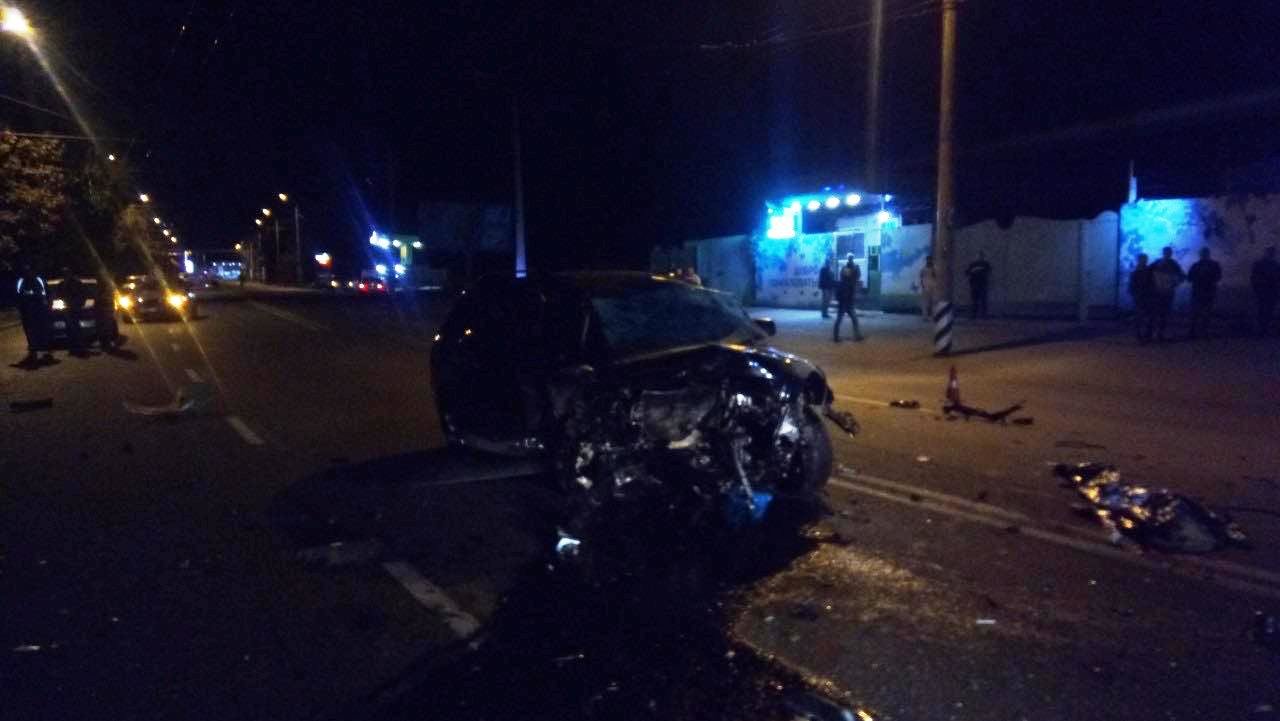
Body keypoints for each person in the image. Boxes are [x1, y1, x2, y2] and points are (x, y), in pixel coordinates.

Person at [15, 263, 54, 365]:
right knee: (30, 333)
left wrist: (48, 307)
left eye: (29, 270)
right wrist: (20, 308)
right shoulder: (21, 281)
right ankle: (33, 353)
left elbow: (48, 294)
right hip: (27, 313)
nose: (27, 273)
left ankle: (46, 354)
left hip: (40, 312)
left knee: (43, 332)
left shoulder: (39, 280)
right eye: (25, 271)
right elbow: (17, 296)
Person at [1148, 246, 1184, 342]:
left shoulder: (1174, 264)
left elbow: (1182, 276)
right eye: (1166, 252)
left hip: (1168, 293)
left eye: (1169, 252)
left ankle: (1160, 334)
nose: (1167, 254)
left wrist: (1174, 284)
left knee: (1164, 314)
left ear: (1171, 253)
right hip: (1157, 292)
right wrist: (1153, 284)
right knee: (1155, 313)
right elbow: (1148, 272)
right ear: (1163, 253)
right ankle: (1151, 334)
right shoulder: (1157, 262)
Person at [1186, 247, 1222, 339]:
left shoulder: (1198, 265)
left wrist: (1203, 276)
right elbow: (1189, 277)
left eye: (1204, 254)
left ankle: (1199, 331)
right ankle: (1197, 331)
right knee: (1198, 313)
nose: (1203, 255)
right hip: (1202, 291)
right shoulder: (1210, 265)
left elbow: (1218, 277)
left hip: (1204, 291)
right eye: (1203, 254)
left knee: (1203, 313)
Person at [832, 254, 864, 343]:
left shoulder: (846, 269)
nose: (851, 259)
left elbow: (854, 277)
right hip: (846, 300)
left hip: (845, 300)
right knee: (851, 318)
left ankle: (837, 336)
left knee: (844, 318)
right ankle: (856, 336)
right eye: (851, 258)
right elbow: (856, 277)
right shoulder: (852, 269)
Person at [58, 267, 89, 356]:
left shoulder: (76, 283)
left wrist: (80, 304)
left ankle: (79, 347)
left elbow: (83, 294)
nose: (65, 275)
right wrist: (63, 300)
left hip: (75, 308)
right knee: (69, 328)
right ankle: (72, 348)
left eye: (66, 273)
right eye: (64, 273)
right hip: (67, 307)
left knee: (76, 327)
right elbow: (59, 294)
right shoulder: (62, 283)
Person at [1252, 246, 1280, 337]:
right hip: (1265, 291)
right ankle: (1263, 329)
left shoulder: (1274, 265)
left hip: (1268, 292)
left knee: (1266, 311)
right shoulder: (1273, 265)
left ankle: (1263, 329)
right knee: (1264, 310)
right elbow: (1254, 278)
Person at [1128, 253, 1155, 343]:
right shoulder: (1139, 272)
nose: (1144, 261)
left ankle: (1145, 335)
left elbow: (1152, 283)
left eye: (1145, 260)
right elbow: (1132, 285)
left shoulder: (1147, 271)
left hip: (1146, 296)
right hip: (1141, 296)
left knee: (1147, 316)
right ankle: (1140, 335)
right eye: (1143, 259)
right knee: (1141, 316)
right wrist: (1135, 295)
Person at [94, 270, 120, 349]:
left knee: (107, 326)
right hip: (101, 310)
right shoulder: (100, 286)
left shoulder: (108, 287)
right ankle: (104, 342)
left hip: (106, 309)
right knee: (102, 327)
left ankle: (108, 342)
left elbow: (109, 298)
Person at [965, 251, 992, 319]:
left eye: (980, 256)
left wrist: (977, 271)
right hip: (974, 284)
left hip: (982, 284)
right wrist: (972, 272)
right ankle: (974, 314)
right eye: (978, 256)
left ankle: (983, 315)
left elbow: (989, 271)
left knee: (983, 300)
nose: (979, 257)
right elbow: (967, 272)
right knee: (975, 301)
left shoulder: (985, 264)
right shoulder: (973, 264)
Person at [918, 254, 938, 322]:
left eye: (930, 260)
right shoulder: (923, 269)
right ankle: (925, 316)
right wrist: (922, 285)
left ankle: (933, 316)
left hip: (933, 286)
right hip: (925, 286)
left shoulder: (934, 268)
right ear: (926, 260)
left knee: (933, 302)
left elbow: (936, 276)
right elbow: (921, 277)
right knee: (925, 302)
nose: (929, 261)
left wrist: (933, 271)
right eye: (928, 260)